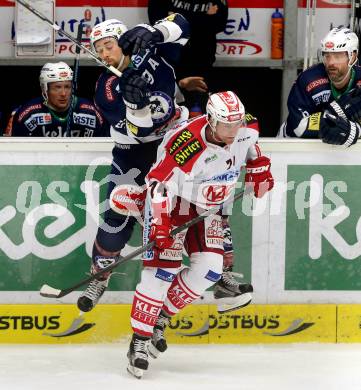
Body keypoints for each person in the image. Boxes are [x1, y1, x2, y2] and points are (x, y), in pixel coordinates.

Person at [126, 91, 274, 379]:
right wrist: (159, 223)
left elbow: (252, 147)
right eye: (226, 126)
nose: (233, 132)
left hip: (209, 207)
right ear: (210, 119)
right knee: (160, 273)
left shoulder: (245, 127)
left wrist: (259, 167)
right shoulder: (186, 144)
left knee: (209, 269)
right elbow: (157, 183)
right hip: (172, 202)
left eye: (236, 125)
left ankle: (161, 321)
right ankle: (139, 343)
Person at [76, 16, 191, 312]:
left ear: (124, 40)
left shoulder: (153, 50)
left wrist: (152, 31)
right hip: (134, 153)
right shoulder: (107, 89)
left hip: (176, 144)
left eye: (108, 45)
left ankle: (222, 267)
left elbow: (183, 26)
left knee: (197, 206)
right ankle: (100, 273)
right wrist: (136, 104)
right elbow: (138, 130)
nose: (103, 54)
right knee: (117, 211)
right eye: (98, 49)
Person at [279, 26, 361, 147]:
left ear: (353, 56)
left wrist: (355, 130)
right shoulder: (308, 79)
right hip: (294, 145)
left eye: (337, 56)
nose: (331, 62)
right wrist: (338, 117)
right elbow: (298, 126)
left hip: (344, 149)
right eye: (327, 56)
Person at [148, 0, 228, 113]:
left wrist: (177, 20)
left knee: (202, 105)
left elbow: (219, 23)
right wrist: (204, 18)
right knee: (169, 104)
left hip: (202, 57)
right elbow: (157, 21)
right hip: (171, 58)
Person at [4, 62, 108, 137]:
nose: (63, 94)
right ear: (45, 89)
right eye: (57, 87)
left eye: (67, 87)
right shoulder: (28, 115)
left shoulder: (90, 112)